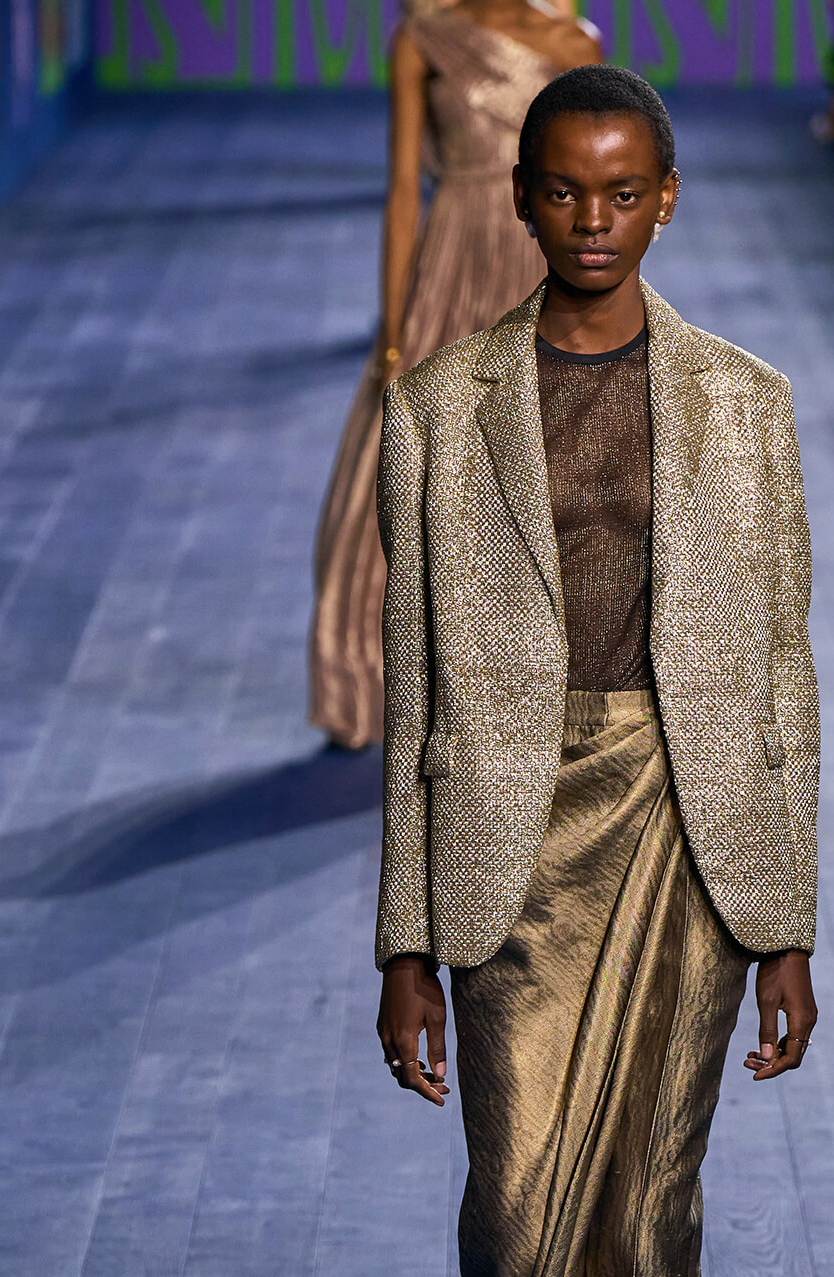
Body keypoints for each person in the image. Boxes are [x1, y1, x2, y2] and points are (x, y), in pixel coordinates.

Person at [374, 65, 820, 1277]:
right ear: (521, 198)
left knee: (645, 1234)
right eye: (564, 190)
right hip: (510, 837)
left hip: (688, 829)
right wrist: (403, 944)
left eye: (624, 192)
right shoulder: (440, 408)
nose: (593, 220)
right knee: (516, 1221)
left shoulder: (744, 403)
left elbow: (781, 674)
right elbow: (416, 696)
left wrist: (789, 921)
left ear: (668, 198)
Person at [308, 0, 599, 751]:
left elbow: (592, 193)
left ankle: (536, 693)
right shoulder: (423, 41)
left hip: (539, 270)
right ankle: (363, 679)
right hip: (449, 266)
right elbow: (403, 188)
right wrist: (393, 328)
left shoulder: (573, 44)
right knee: (395, 468)